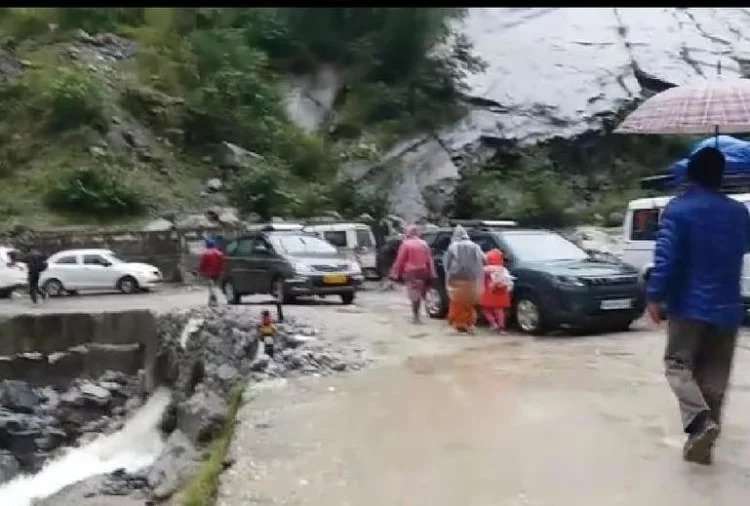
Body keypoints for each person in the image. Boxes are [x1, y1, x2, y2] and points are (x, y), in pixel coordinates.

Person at [647, 146, 750, 466]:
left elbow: (666, 259)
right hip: (728, 308)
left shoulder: (678, 210)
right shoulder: (739, 212)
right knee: (715, 377)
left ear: (690, 175)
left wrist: (655, 295)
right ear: (721, 176)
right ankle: (702, 445)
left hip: (688, 307)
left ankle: (700, 423)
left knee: (678, 366)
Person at [389, 225, 437, 324]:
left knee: (414, 294)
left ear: (408, 233)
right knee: (419, 293)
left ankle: (416, 316)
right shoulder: (424, 244)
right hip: (423, 271)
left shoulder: (406, 244)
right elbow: (429, 260)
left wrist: (395, 273)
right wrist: (432, 273)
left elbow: (400, 260)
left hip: (410, 272)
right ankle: (417, 315)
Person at [442, 225, 485, 333]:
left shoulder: (453, 246)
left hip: (456, 278)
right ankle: (469, 323)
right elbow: (483, 259)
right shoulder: (475, 246)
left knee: (457, 301)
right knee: (469, 301)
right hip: (472, 279)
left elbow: (446, 263)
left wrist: (448, 274)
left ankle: (460, 324)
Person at [479, 249, 513, 334]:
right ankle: (501, 327)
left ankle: (493, 323)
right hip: (501, 292)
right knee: (499, 310)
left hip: (489, 292)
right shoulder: (503, 269)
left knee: (485, 309)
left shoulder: (486, 269)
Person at [198, 238, 225, 307]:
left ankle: (213, 299)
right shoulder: (219, 253)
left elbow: (202, 263)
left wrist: (200, 271)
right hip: (217, 272)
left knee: (210, 286)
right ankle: (212, 301)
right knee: (214, 285)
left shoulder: (205, 253)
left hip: (208, 272)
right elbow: (222, 263)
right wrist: (222, 271)